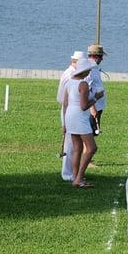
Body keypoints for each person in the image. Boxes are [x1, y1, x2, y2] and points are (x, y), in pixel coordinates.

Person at [63, 58, 104, 188]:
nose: (89, 72)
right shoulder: (83, 84)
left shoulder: (69, 82)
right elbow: (84, 106)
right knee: (92, 148)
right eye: (88, 70)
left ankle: (75, 177)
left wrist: (64, 122)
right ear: (84, 71)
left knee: (77, 148)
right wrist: (96, 97)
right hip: (80, 117)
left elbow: (65, 104)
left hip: (70, 115)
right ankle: (79, 178)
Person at [57, 50, 84, 181]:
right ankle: (67, 174)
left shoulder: (72, 74)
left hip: (69, 111)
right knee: (70, 145)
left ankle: (72, 172)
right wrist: (64, 122)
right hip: (68, 111)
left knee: (74, 145)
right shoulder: (69, 76)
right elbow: (64, 100)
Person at [85, 44, 107, 135]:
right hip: (92, 110)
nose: (102, 59)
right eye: (101, 56)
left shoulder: (94, 68)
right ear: (95, 56)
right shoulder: (89, 69)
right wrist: (92, 108)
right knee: (89, 137)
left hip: (97, 107)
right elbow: (87, 89)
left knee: (93, 135)